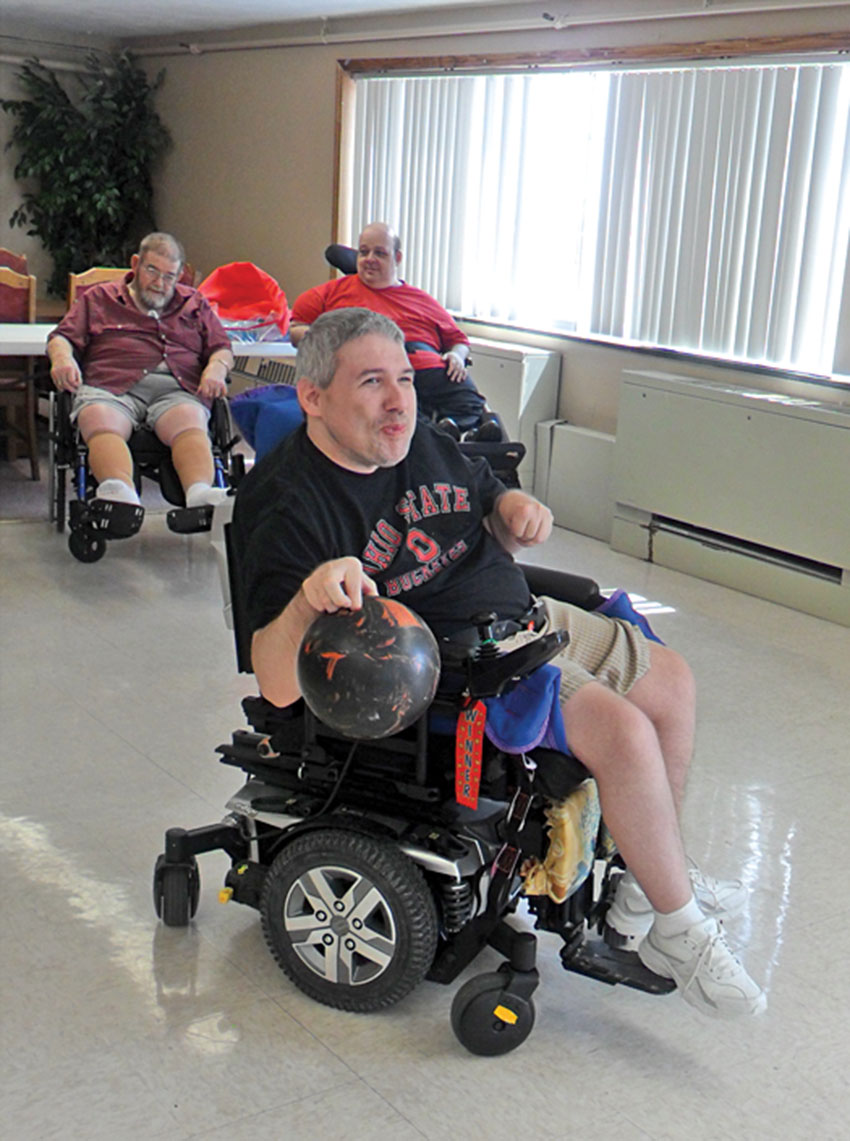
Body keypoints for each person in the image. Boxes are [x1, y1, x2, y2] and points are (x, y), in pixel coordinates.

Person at [233, 307, 767, 1022]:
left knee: (671, 682)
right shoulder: (290, 503)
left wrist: (511, 508)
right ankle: (680, 930)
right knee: (624, 734)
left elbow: (482, 496)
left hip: (524, 616)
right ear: (313, 397)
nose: (398, 400)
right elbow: (274, 683)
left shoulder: (414, 438)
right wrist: (308, 599)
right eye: (371, 382)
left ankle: (646, 888)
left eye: (404, 379)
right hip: (460, 666)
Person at [47, 232, 234, 510]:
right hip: (111, 386)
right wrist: (63, 359)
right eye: (152, 271)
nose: (160, 283)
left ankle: (199, 494)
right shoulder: (100, 298)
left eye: (169, 276)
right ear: (135, 264)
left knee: (189, 421)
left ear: (180, 275)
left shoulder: (193, 303)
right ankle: (120, 495)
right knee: (100, 419)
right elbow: (61, 337)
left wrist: (216, 369)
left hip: (177, 388)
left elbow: (222, 347)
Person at [289, 221, 492, 435]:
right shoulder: (330, 293)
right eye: (364, 252)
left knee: (471, 404)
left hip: (431, 368)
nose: (369, 259)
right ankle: (437, 436)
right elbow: (295, 330)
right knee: (401, 412)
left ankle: (460, 434)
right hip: (378, 372)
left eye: (379, 253)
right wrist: (340, 341)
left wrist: (457, 355)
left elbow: (459, 340)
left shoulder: (422, 299)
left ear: (397, 258)